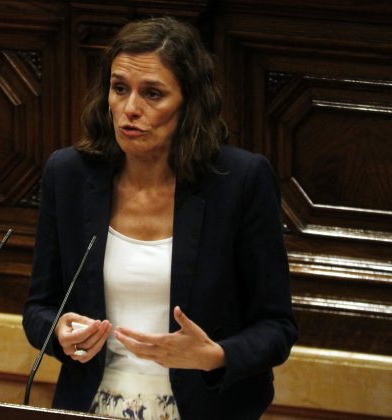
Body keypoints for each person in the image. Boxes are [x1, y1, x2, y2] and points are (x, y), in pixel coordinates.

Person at [22, 16, 297, 420]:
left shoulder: (239, 182)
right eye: (119, 89)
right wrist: (59, 330)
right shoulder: (69, 176)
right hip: (92, 405)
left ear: (189, 103)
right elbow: (38, 308)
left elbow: (277, 327)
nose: (130, 109)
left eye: (153, 94)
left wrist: (213, 355)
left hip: (202, 410)